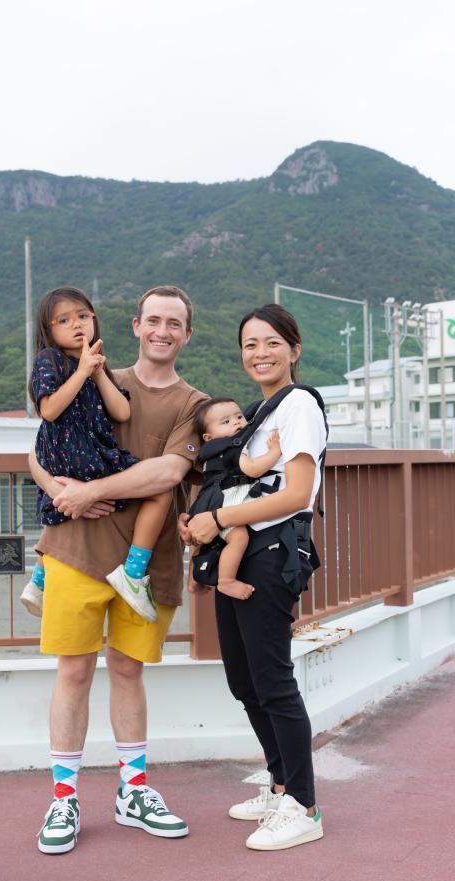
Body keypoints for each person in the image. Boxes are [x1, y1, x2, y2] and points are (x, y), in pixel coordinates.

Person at [28, 285, 208, 855]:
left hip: (146, 566)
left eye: (173, 323)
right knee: (73, 673)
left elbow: (167, 475)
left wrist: (90, 491)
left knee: (129, 672)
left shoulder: (195, 405)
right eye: (153, 320)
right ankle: (64, 798)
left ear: (187, 334)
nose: (162, 331)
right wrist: (60, 490)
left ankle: (133, 791)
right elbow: (36, 447)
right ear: (134, 325)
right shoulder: (87, 370)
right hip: (75, 549)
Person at [180, 303, 326, 852]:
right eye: (250, 344)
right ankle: (281, 785)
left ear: (294, 349)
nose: (260, 353)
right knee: (244, 680)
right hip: (238, 554)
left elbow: (296, 494)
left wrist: (218, 519)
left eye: (271, 343)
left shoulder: (299, 404)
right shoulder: (257, 412)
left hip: (271, 552)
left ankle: (304, 806)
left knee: (272, 679)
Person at [20, 287, 173, 624]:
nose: (76, 324)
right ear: (47, 329)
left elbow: (122, 412)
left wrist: (98, 371)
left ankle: (38, 580)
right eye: (63, 320)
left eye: (83, 316)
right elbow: (49, 409)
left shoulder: (93, 365)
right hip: (75, 453)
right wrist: (81, 372)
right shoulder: (50, 360)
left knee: (61, 509)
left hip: (79, 455)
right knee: (160, 491)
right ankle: (133, 573)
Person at [188, 397, 281, 600]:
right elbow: (253, 469)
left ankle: (195, 575)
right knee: (239, 538)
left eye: (239, 416)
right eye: (226, 422)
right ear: (208, 437)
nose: (236, 422)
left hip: (209, 502)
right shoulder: (233, 447)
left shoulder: (211, 453)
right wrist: (275, 452)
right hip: (226, 502)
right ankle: (226, 581)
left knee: (211, 542)